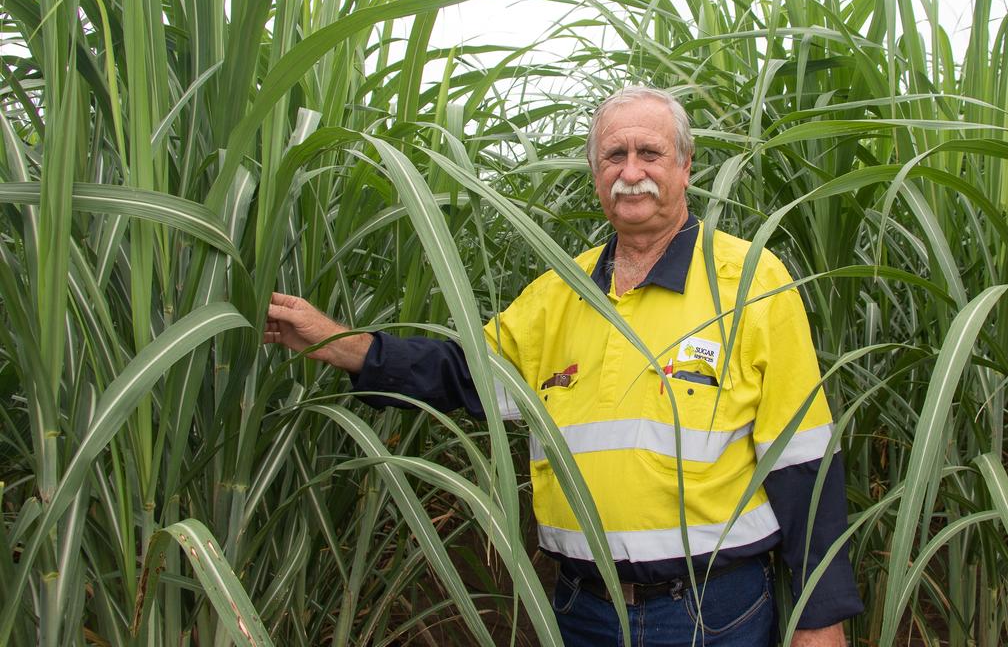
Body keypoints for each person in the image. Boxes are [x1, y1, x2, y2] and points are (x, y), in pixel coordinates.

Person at [265, 86, 863, 646]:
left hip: (712, 611)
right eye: (614, 156)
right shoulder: (558, 291)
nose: (631, 173)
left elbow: (802, 457)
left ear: (686, 166)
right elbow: (463, 375)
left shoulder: (751, 279)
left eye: (650, 153)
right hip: (582, 610)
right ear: (595, 175)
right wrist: (335, 342)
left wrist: (821, 615)